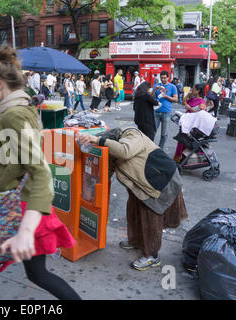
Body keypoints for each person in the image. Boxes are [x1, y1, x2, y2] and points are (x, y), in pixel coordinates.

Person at [0, 45, 81, 300]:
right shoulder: (21, 106)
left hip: (16, 210)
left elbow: (42, 172)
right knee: (37, 274)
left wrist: (24, 231)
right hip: (22, 206)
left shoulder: (12, 115)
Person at [76, 128, 188, 271]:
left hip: (161, 180)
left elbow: (125, 151)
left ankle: (152, 256)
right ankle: (136, 241)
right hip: (141, 186)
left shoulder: (132, 134)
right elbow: (106, 172)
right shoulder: (111, 152)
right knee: (134, 212)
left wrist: (98, 140)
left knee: (151, 218)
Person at [173, 84, 207, 162]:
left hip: (192, 124)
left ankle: (184, 159)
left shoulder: (202, 101)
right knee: (181, 140)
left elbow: (201, 113)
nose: (192, 90)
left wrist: (190, 109)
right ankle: (179, 158)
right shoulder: (193, 98)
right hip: (186, 122)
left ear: (198, 91)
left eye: (194, 89)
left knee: (185, 141)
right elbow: (183, 102)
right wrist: (188, 94)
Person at [153, 71, 178, 148]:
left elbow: (176, 99)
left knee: (164, 134)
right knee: (152, 131)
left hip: (167, 112)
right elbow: (150, 96)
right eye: (161, 78)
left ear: (168, 78)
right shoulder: (157, 85)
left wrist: (166, 96)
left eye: (164, 78)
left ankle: (160, 149)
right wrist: (154, 90)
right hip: (156, 111)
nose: (163, 79)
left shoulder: (172, 87)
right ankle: (151, 148)